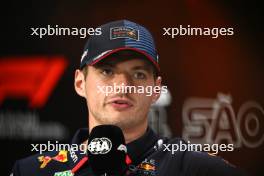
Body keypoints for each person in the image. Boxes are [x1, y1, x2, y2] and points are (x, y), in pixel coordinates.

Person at [11, 19, 246, 176]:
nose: (123, 85)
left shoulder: (194, 167)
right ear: (80, 83)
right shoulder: (32, 170)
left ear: (155, 90)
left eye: (139, 74)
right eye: (107, 71)